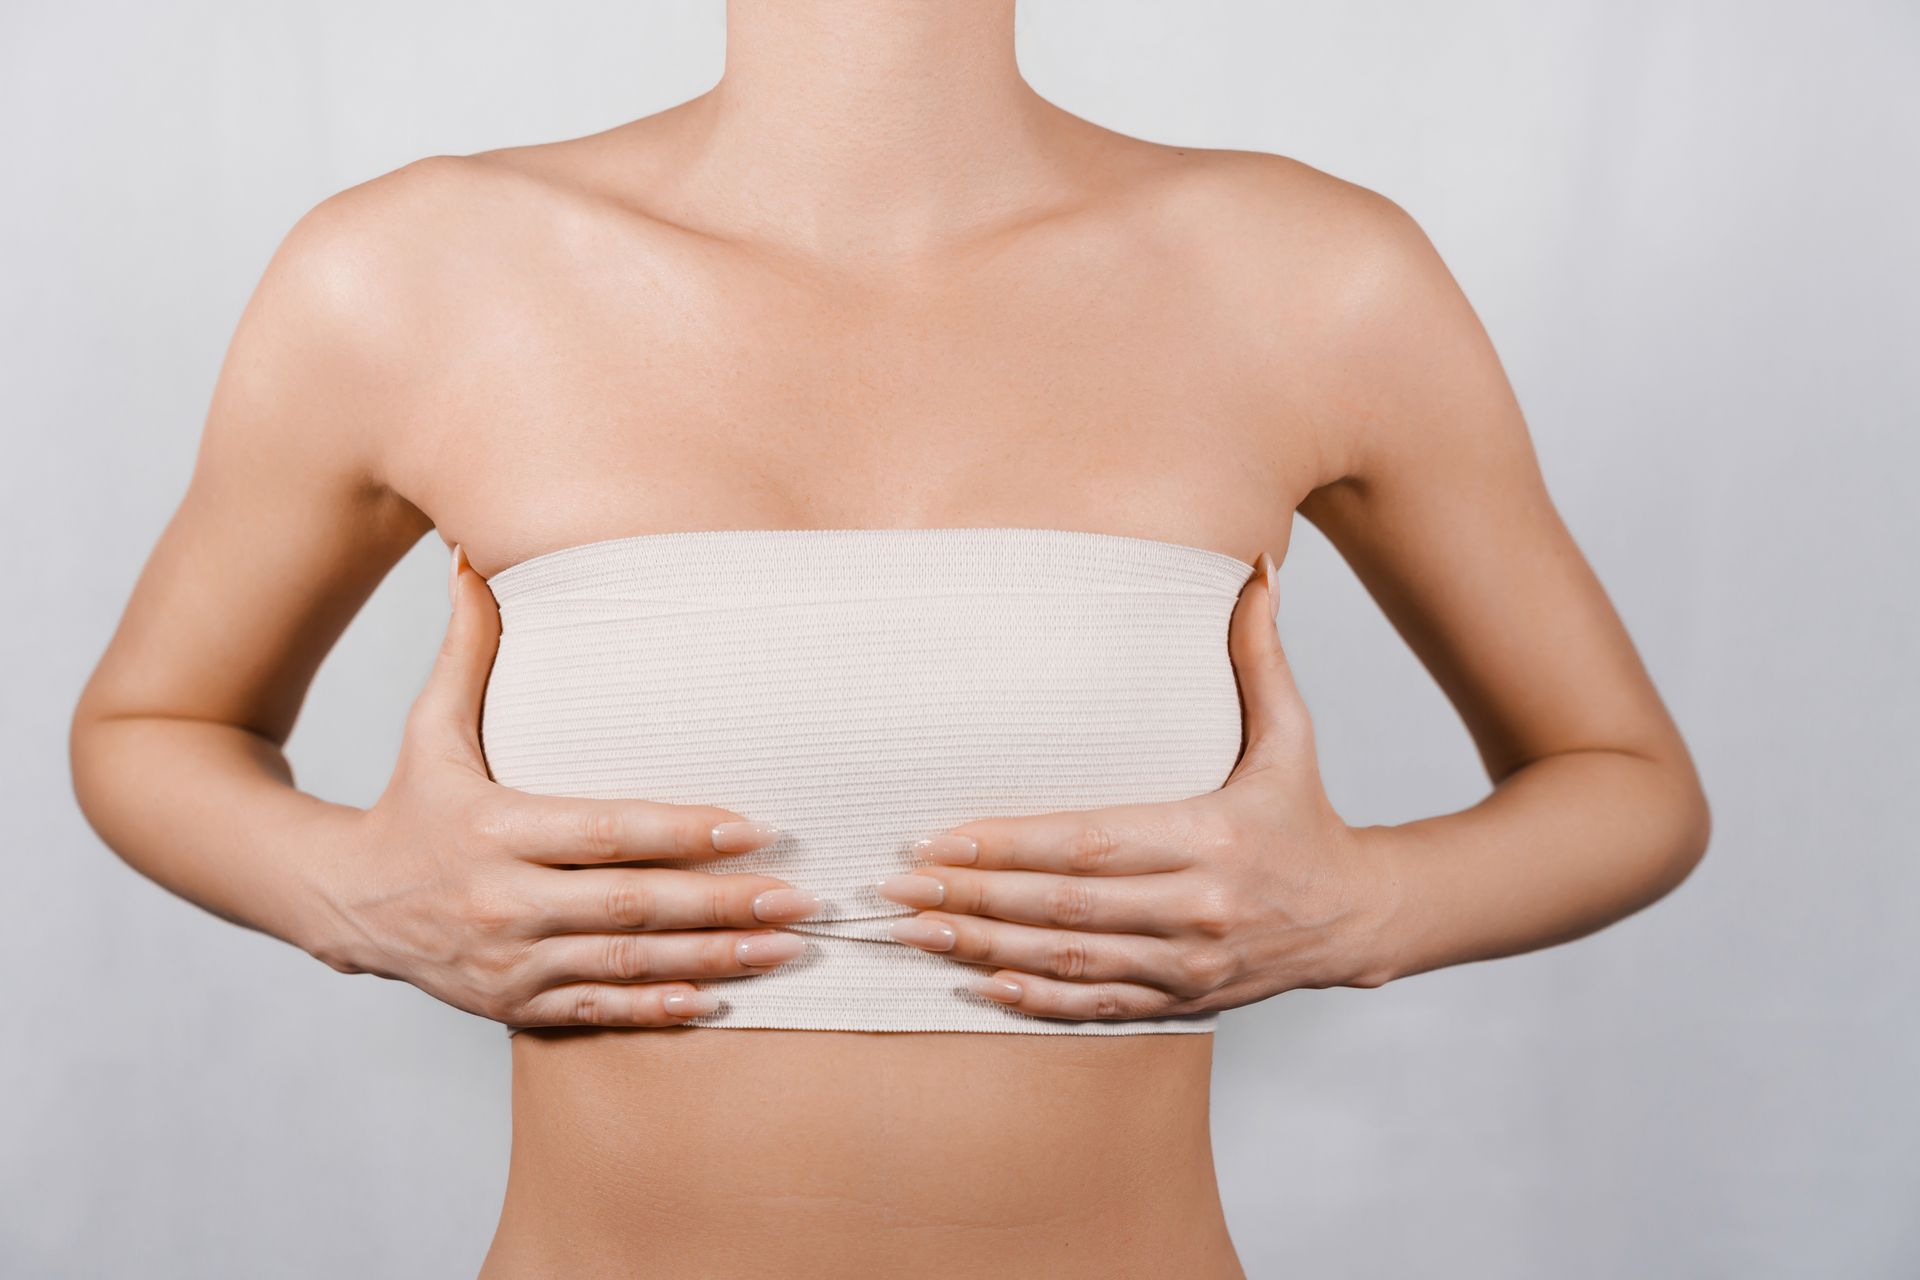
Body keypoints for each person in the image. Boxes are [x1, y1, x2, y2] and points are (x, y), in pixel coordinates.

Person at [67, 3, 1711, 1274]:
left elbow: (1626, 781)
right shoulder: (412, 274)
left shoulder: (1311, 276)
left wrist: (1362, 909)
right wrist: (357, 894)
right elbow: (150, 726)